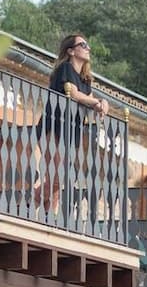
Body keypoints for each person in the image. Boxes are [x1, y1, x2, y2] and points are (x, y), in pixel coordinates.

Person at [34, 34, 109, 211]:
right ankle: (25, 204)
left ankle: (47, 216)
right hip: (53, 127)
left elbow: (89, 99)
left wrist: (103, 103)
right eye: (83, 44)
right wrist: (98, 102)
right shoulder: (65, 68)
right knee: (57, 176)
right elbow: (74, 94)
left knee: (56, 179)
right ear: (71, 51)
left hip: (70, 131)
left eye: (87, 45)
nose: (88, 48)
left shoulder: (85, 79)